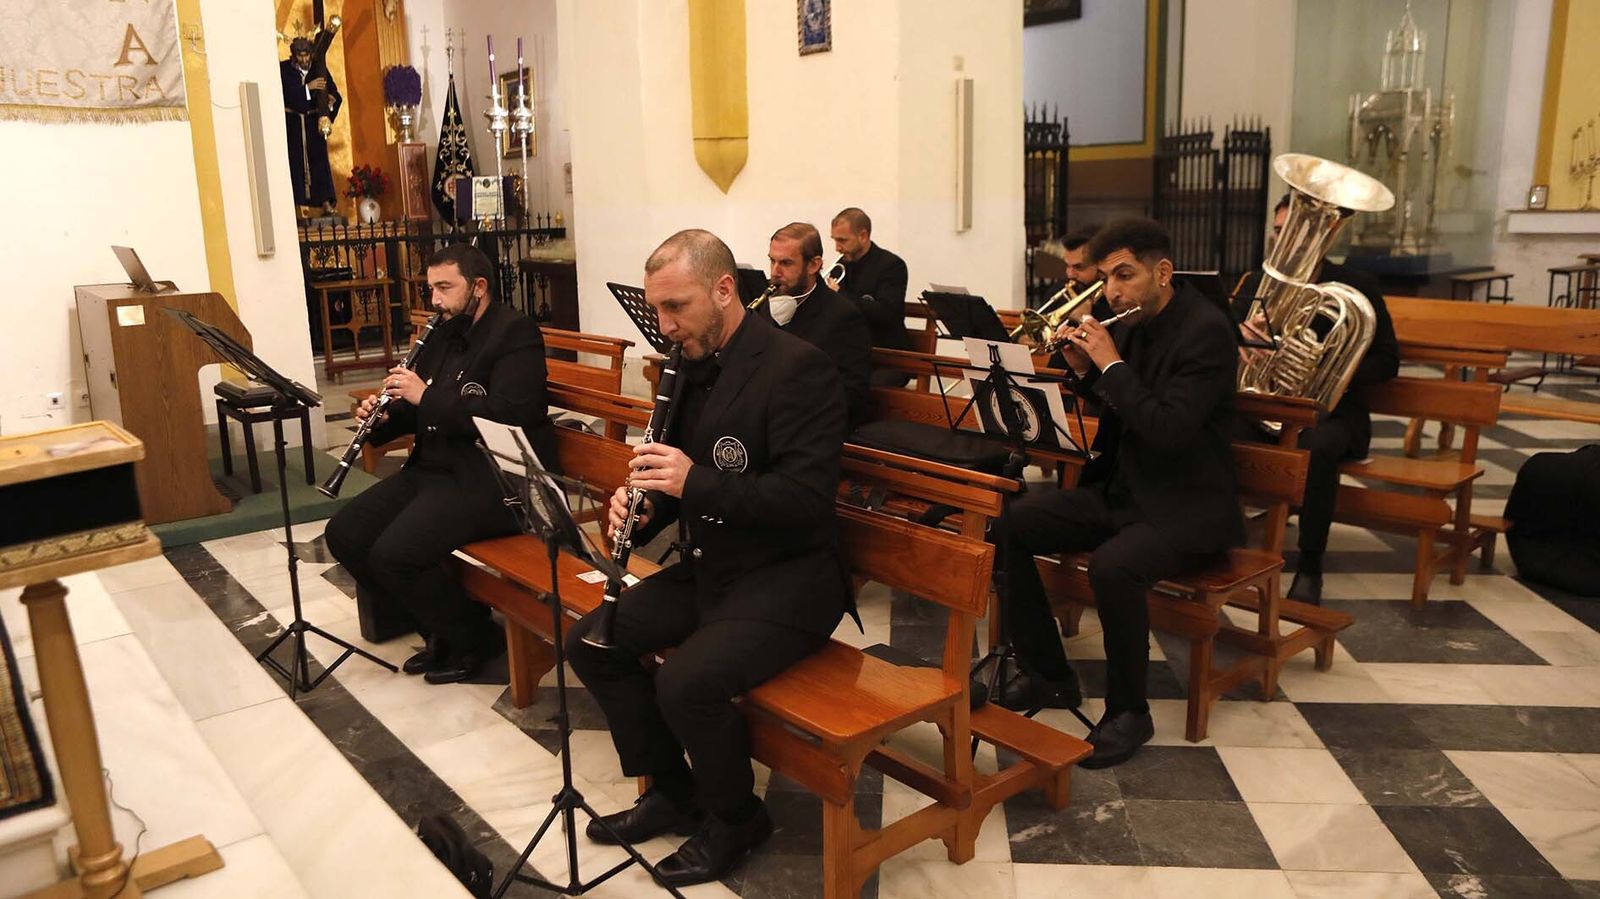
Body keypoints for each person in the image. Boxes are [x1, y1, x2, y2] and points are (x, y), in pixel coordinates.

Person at [566, 229, 851, 886]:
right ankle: (672, 789)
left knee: (685, 680)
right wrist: (643, 511)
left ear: (725, 289)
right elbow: (676, 483)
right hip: (716, 569)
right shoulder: (687, 364)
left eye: (676, 307)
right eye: (656, 310)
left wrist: (692, 482)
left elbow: (805, 502)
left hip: (792, 581)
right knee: (594, 642)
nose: (663, 326)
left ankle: (735, 816)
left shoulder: (797, 367)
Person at [990, 219, 1243, 769]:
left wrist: (1108, 363)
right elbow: (1120, 405)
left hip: (1187, 505)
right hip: (1126, 491)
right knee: (1009, 525)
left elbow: (1169, 428)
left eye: (1124, 276)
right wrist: (1084, 373)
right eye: (1106, 278)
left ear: (1163, 272)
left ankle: (1131, 712)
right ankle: (1049, 676)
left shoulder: (1207, 331)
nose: (1111, 292)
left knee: (1113, 567)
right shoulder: (1130, 324)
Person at [324, 244, 557, 684]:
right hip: (435, 470)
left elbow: (514, 415)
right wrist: (382, 421)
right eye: (431, 288)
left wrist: (424, 396)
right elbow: (418, 411)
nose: (434, 300)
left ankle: (474, 641)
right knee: (346, 534)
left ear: (479, 287)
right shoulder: (443, 333)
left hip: (490, 480)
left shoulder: (515, 333)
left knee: (396, 554)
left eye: (445, 287)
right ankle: (440, 629)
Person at [1233, 193, 1399, 605]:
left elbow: (1388, 361)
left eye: (1297, 233)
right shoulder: (1256, 284)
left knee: (1315, 446)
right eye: (1279, 233)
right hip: (1264, 409)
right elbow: (1219, 343)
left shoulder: (1357, 286)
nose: (1285, 243)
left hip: (1331, 413)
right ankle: (1214, 544)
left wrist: (1327, 368)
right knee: (1207, 428)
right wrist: (1238, 340)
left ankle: (1309, 566)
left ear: (1326, 236)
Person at [763, 222, 872, 427]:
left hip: (808, 424)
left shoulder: (843, 316)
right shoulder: (763, 303)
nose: (775, 272)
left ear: (813, 265)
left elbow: (851, 395)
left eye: (786, 263)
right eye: (772, 261)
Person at [827, 208, 912, 383]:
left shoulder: (892, 266)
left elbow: (887, 313)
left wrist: (839, 296)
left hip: (886, 358)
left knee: (854, 387)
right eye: (835, 240)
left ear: (863, 236)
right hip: (851, 354)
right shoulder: (841, 265)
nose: (837, 248)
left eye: (842, 240)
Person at [280, 36, 342, 214]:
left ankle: (326, 202)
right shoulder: (284, 69)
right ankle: (296, 206)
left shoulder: (318, 68)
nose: (305, 60)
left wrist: (330, 103)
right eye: (300, 56)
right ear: (294, 55)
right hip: (294, 125)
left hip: (313, 124)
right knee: (295, 164)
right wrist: (308, 88)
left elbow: (334, 93)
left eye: (307, 55)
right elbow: (287, 94)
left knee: (319, 162)